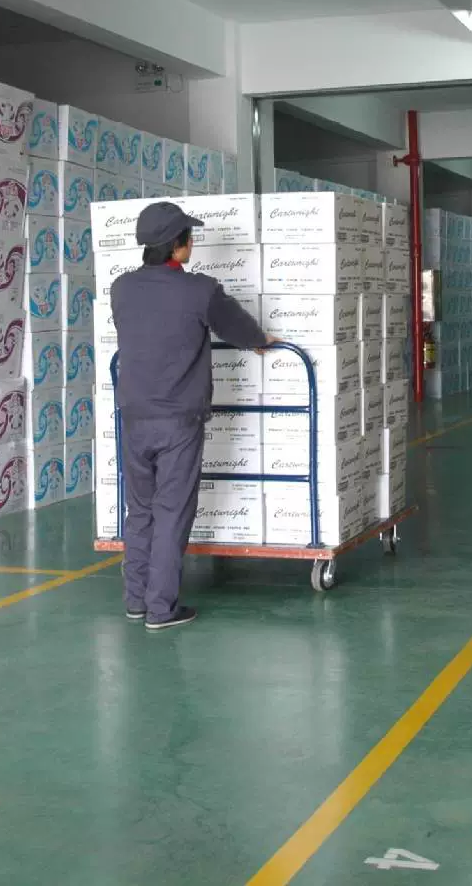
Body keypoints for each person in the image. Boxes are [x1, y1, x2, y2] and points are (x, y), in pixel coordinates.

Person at [108, 201, 270, 631]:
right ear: (176, 246)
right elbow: (239, 328)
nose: (192, 242)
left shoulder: (121, 288)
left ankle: (136, 601)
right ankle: (161, 610)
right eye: (189, 237)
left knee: (140, 510)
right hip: (177, 419)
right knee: (171, 511)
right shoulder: (199, 290)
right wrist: (260, 340)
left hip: (133, 415)